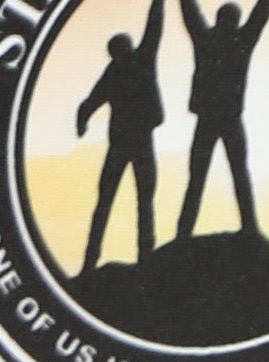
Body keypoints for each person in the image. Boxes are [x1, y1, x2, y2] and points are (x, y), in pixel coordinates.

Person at [77, 0, 172, 271]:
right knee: (132, 201)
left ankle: (102, 259)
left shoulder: (124, 66)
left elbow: (89, 103)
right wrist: (82, 120)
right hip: (130, 143)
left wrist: (82, 121)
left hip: (129, 142)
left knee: (124, 201)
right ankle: (131, 258)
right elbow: (90, 102)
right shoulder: (135, 63)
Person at [176, 0, 269, 238]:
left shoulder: (208, 39)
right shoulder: (238, 40)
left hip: (216, 118)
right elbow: (259, 16)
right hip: (223, 118)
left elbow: (190, 12)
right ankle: (247, 226)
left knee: (202, 177)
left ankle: (185, 232)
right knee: (233, 174)